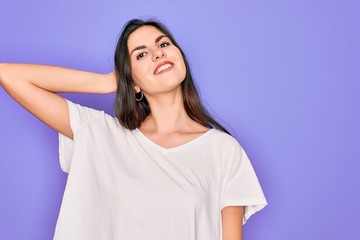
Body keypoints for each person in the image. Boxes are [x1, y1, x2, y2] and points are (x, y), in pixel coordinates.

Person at [0, 19, 267, 240]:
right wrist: (106, 82)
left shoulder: (222, 150)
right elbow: (9, 75)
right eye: (141, 54)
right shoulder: (100, 134)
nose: (158, 53)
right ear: (132, 81)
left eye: (163, 44)